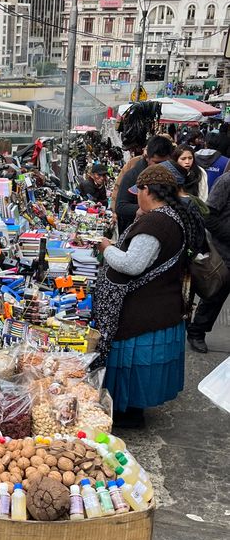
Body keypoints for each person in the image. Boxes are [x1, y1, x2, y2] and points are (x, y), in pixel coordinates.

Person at [95, 164, 195, 429]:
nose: (135, 196)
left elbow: (132, 264)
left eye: (137, 190)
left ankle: (127, 413)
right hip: (161, 302)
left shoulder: (156, 222)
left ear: (147, 189)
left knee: (132, 362)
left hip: (146, 308)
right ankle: (130, 410)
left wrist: (106, 247)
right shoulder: (168, 216)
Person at [187, 171, 230, 354]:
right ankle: (197, 332)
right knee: (215, 294)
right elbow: (208, 216)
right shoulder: (226, 181)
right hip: (224, 251)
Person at [114, 135, 173, 234]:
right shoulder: (132, 176)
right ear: (147, 158)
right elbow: (120, 206)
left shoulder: (172, 175)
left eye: (165, 163)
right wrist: (144, 208)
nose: (161, 167)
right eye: (157, 162)